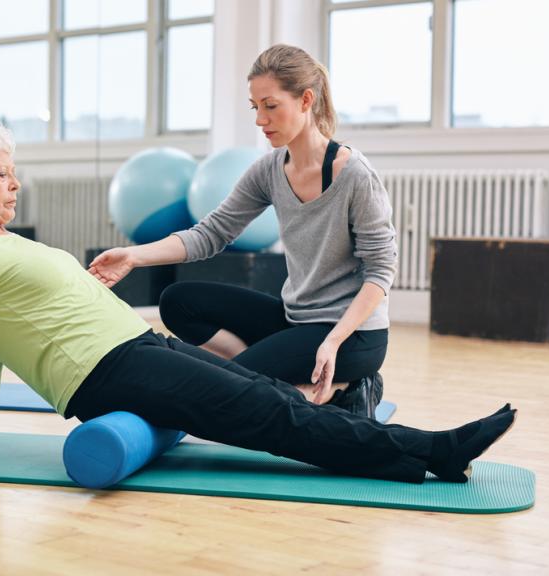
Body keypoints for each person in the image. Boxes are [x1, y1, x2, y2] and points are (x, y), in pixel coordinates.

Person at [0, 118, 516, 485]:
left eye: (14, 173)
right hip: (109, 374)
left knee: (276, 401)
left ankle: (416, 457)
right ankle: (435, 449)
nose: (14, 185)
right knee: (267, 415)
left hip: (142, 350)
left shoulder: (2, 244)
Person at [89, 45, 393, 419]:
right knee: (178, 301)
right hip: (297, 318)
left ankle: (351, 386)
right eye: (255, 107)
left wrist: (332, 342)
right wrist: (134, 256)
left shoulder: (355, 175)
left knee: (226, 394)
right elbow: (211, 233)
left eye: (270, 105)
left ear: (305, 100)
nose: (260, 119)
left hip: (354, 335)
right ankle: (260, 375)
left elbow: (380, 271)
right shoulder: (267, 171)